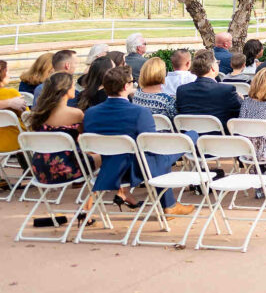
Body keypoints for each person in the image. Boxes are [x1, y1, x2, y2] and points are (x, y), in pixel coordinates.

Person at [83, 66, 194, 215]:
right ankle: (170, 205)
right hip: (136, 169)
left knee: (163, 155)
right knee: (190, 137)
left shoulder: (91, 113)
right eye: (132, 82)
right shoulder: (139, 112)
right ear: (125, 86)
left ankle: (169, 204)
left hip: (107, 168)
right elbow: (152, 146)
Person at [25, 72, 87, 193]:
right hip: (66, 169)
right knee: (104, 156)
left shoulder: (39, 113)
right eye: (73, 85)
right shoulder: (76, 114)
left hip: (39, 169)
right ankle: (91, 204)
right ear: (66, 89)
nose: (75, 88)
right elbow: (85, 135)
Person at [176, 49, 242, 127]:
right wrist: (240, 98)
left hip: (190, 136)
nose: (218, 64)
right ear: (212, 68)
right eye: (217, 63)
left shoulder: (182, 91)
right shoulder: (227, 90)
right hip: (220, 137)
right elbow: (239, 113)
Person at [0, 61, 23, 157]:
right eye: (8, 71)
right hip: (14, 142)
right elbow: (27, 119)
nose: (10, 75)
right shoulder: (11, 94)